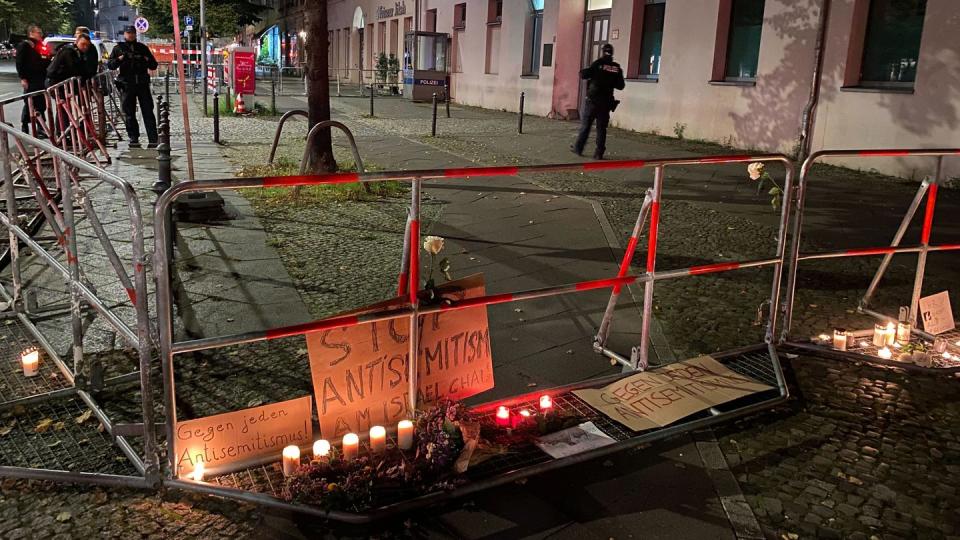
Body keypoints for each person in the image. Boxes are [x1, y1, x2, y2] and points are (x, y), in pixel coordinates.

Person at [572, 43, 625, 160]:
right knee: (602, 128)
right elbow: (621, 85)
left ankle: (578, 148)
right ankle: (599, 153)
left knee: (586, 125)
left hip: (593, 101)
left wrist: (583, 72)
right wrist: (610, 81)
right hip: (606, 102)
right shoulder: (616, 68)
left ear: (603, 52)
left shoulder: (598, 64)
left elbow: (585, 74)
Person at [108, 25, 158, 147]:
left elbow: (153, 65)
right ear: (124, 34)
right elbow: (110, 65)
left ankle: (153, 138)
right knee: (129, 113)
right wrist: (120, 59)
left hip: (142, 83)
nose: (130, 35)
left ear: (135, 34)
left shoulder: (142, 48)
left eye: (132, 33)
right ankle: (133, 138)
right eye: (128, 33)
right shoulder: (118, 48)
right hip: (127, 84)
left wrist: (144, 59)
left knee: (147, 111)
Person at [14, 25, 51, 136]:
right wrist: (23, 78)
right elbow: (19, 63)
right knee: (30, 102)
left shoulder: (39, 45)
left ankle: (40, 127)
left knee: (40, 103)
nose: (41, 35)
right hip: (30, 78)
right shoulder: (25, 45)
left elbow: (44, 59)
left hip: (40, 78)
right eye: (38, 32)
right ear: (31, 33)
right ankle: (26, 126)